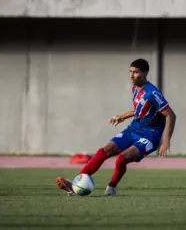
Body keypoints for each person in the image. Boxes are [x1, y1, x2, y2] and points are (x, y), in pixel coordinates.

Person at [56, 58, 177, 196]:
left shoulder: (153, 93)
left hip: (150, 135)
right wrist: (122, 117)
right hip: (133, 129)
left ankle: (111, 187)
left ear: (145, 73)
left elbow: (171, 115)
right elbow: (139, 109)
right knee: (104, 151)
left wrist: (166, 140)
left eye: (136, 72)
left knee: (121, 159)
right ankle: (76, 183)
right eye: (130, 72)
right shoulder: (135, 88)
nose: (131, 75)